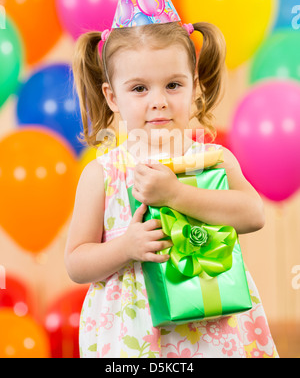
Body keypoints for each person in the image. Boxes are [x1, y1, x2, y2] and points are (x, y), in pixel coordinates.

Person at [65, 20, 279, 358]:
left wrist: (176, 195)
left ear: (195, 87)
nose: (159, 101)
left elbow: (254, 215)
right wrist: (125, 247)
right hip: (134, 331)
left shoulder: (213, 160)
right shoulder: (102, 174)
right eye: (139, 89)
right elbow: (76, 263)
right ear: (112, 96)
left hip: (214, 328)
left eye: (173, 85)